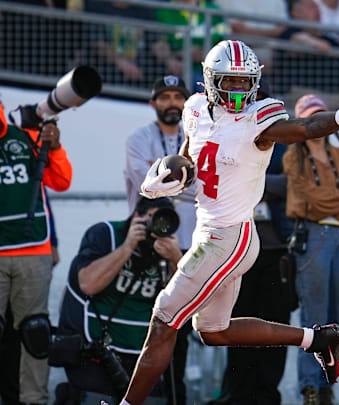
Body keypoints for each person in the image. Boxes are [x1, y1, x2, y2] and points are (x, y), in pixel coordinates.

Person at [120, 39, 339, 405]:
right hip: (208, 229)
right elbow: (190, 158)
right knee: (213, 332)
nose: (236, 88)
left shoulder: (258, 120)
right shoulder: (196, 108)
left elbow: (305, 128)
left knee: (164, 319)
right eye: (228, 81)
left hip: (229, 237)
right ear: (210, 80)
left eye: (243, 81)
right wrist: (171, 175)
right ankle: (316, 339)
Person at [207, 83, 296, 405]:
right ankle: (237, 395)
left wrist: (252, 183)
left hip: (276, 251)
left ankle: (267, 397)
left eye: (258, 102)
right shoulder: (225, 136)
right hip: (237, 249)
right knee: (235, 326)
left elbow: (293, 183)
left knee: (275, 325)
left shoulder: (285, 140)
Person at [283, 94, 339, 404]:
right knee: (314, 316)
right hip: (313, 236)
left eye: (323, 117)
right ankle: (308, 385)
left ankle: (326, 384)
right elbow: (314, 202)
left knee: (338, 316)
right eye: (312, 118)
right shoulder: (293, 157)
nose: (319, 123)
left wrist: (335, 201)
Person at [54, 197, 183, 404]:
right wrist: (127, 247)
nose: (157, 228)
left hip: (143, 353)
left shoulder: (169, 249)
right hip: (97, 349)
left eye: (164, 222)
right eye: (152, 219)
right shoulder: (105, 235)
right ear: (136, 216)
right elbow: (87, 284)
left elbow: (186, 302)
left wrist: (176, 259)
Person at [124, 74, 195, 405]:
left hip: (190, 246)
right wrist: (186, 181)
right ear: (153, 103)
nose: (172, 103)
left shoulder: (197, 137)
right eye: (164, 97)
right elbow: (145, 183)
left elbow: (210, 186)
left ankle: (174, 398)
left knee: (181, 332)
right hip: (146, 244)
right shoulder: (138, 137)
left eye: (178, 96)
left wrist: (165, 177)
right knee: (145, 323)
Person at [0, 99, 72, 405]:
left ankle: (34, 401)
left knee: (35, 333)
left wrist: (53, 147)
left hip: (33, 251)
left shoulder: (24, 136)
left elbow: (62, 181)